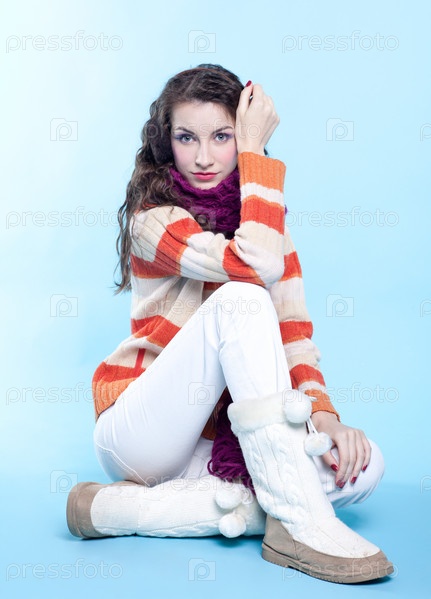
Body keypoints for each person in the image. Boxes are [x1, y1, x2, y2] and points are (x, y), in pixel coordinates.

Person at [66, 64, 393, 584]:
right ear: (166, 142)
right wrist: (255, 151)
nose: (203, 157)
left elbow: (294, 335)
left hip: (212, 446)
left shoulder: (266, 224)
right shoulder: (154, 216)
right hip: (140, 433)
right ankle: (297, 518)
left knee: (364, 464)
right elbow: (252, 265)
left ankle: (119, 511)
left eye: (222, 137)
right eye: (186, 137)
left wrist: (326, 419)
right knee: (241, 298)